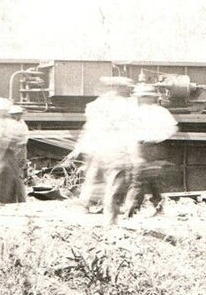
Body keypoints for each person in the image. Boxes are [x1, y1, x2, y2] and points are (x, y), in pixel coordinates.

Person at [67, 76, 138, 213]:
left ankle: (88, 204)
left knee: (96, 176)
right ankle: (105, 206)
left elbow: (90, 126)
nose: (130, 90)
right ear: (120, 88)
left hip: (100, 146)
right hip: (110, 146)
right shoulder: (120, 104)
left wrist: (80, 146)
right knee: (111, 177)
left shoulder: (101, 102)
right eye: (127, 87)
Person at [122, 84, 179, 219]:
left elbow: (171, 128)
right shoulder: (158, 112)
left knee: (138, 179)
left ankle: (130, 211)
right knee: (151, 180)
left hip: (148, 148)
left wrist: (153, 139)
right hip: (148, 147)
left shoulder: (152, 112)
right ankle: (157, 208)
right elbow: (172, 128)